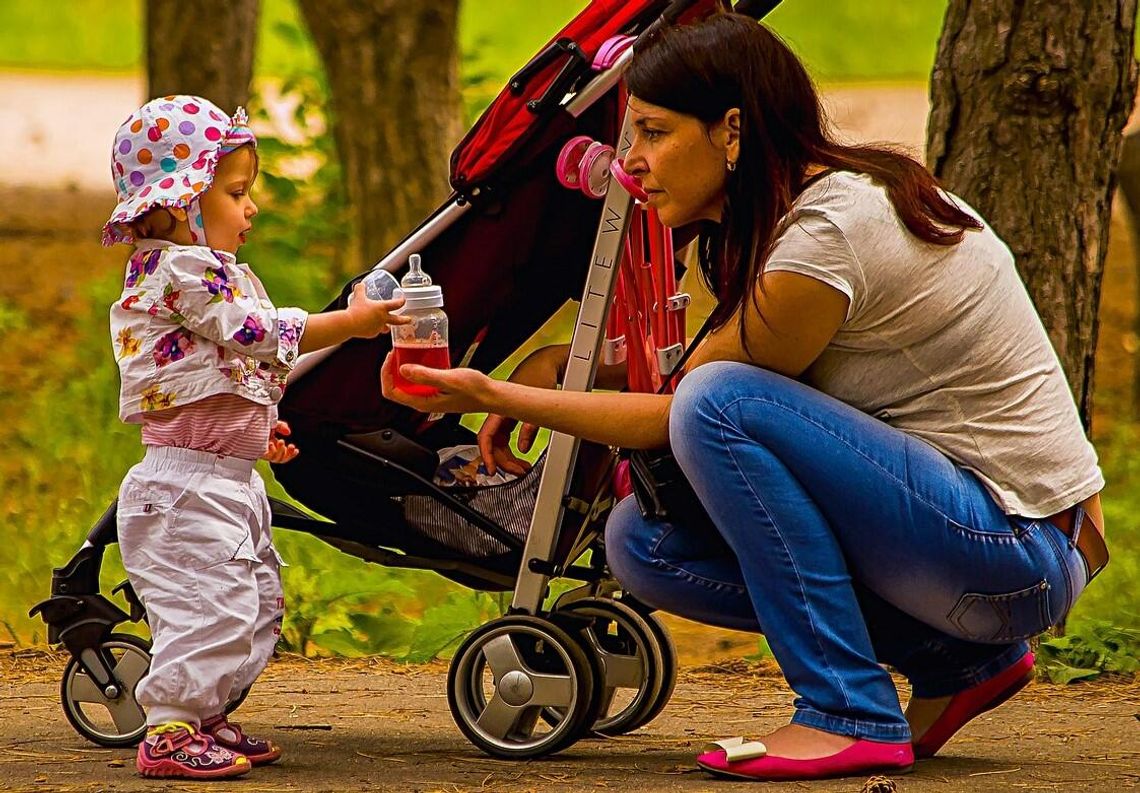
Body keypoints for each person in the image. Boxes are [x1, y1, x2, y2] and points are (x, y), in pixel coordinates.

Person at [380, 13, 1108, 782]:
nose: (631, 162)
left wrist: (492, 390)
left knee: (717, 405)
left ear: (732, 131)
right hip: (974, 543)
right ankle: (961, 662)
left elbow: (692, 406)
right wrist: (560, 368)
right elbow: (702, 381)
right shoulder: (788, 220)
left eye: (654, 133)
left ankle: (847, 709)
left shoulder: (829, 236)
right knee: (640, 544)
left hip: (1019, 547)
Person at [105, 95, 408, 779]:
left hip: (224, 479)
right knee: (207, 606)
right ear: (178, 204)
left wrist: (256, 427)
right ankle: (168, 726)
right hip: (183, 486)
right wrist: (348, 324)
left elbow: (225, 367)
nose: (252, 208)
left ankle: (205, 713)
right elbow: (258, 334)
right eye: (237, 192)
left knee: (252, 600)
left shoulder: (208, 274)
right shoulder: (177, 271)